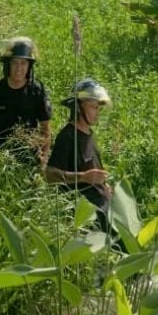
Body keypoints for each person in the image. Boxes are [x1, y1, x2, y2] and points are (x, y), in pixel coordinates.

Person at [45, 79, 113, 225]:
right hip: (85, 216)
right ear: (78, 107)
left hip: (103, 206)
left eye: (98, 108)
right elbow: (50, 175)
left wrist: (104, 185)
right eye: (94, 107)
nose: (97, 113)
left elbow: (94, 170)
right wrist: (82, 177)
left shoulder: (90, 134)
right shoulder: (67, 136)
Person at [0, 37, 52, 167]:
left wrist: (43, 158)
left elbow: (45, 127)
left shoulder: (37, 91)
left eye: (23, 63)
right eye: (15, 63)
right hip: (1, 156)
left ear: (29, 66)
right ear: (8, 65)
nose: (19, 68)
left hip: (30, 157)